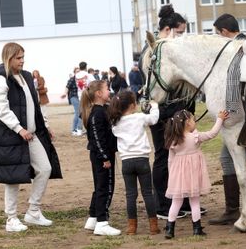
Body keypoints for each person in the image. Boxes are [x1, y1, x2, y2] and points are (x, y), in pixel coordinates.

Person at [0, 42, 62, 232]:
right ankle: (11, 219)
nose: (22, 61)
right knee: (12, 178)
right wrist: (18, 129)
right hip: (11, 136)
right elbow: (2, 109)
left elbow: (34, 106)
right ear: (9, 58)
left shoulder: (27, 77)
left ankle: (33, 211)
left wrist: (44, 127)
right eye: (18, 58)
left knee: (45, 168)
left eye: (23, 57)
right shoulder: (1, 79)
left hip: (31, 134)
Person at [208, 13, 246, 225]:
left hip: (244, 118)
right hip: (245, 115)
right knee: (229, 159)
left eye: (217, 33)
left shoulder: (238, 50)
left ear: (224, 32)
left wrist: (231, 110)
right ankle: (239, 208)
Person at [146, 4, 197, 220]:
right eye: (181, 32)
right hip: (163, 113)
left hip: (176, 111)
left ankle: (181, 201)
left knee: (179, 157)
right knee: (162, 156)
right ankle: (162, 204)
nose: (183, 37)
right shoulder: (155, 52)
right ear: (169, 30)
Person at [163, 109, 229, 239]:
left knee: (176, 202)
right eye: (193, 119)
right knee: (194, 201)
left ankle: (170, 229)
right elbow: (212, 133)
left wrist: (172, 175)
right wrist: (220, 119)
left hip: (178, 175)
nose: (195, 122)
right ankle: (197, 228)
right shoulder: (195, 138)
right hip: (193, 174)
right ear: (187, 122)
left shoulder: (173, 140)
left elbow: (170, 160)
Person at [109, 91, 160, 235]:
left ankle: (132, 227)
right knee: (147, 194)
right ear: (132, 105)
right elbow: (154, 119)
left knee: (130, 195)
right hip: (142, 160)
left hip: (126, 162)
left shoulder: (116, 122)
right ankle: (153, 226)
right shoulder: (139, 117)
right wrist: (154, 106)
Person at [80, 80, 120, 236]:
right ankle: (102, 223)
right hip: (102, 157)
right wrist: (105, 158)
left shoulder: (103, 110)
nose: (109, 91)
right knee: (106, 187)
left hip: (102, 155)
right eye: (107, 89)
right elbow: (97, 138)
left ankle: (93, 218)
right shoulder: (97, 113)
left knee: (100, 187)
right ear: (98, 93)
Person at [61, 67, 83, 136]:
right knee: (78, 112)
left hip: (81, 97)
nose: (78, 73)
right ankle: (75, 129)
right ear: (74, 72)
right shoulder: (72, 79)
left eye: (79, 71)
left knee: (80, 113)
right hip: (74, 97)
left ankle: (78, 129)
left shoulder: (82, 79)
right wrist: (65, 93)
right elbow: (67, 87)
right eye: (77, 71)